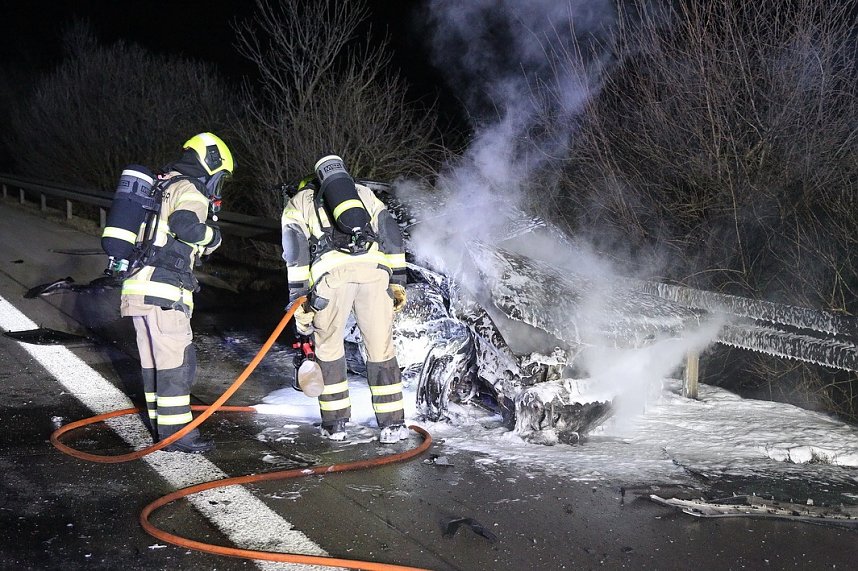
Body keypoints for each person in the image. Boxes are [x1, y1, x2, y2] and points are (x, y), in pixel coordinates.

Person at [281, 154, 408, 443]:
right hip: (375, 273)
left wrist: (299, 297)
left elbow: (295, 250)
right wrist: (398, 281)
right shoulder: (363, 192)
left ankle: (335, 425)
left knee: (328, 349)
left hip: (331, 279)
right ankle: (393, 425)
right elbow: (391, 231)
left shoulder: (299, 202)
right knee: (381, 350)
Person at [119, 132, 233, 453]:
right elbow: (186, 225)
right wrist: (213, 237)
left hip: (137, 290)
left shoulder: (161, 186)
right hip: (164, 291)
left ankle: (162, 429)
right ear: (211, 164)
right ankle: (178, 436)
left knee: (154, 364)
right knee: (176, 363)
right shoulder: (190, 190)